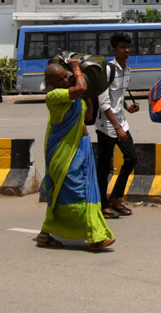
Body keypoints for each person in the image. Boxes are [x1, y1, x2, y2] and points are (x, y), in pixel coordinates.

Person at [37, 56, 115, 252]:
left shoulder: (74, 96)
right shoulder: (53, 96)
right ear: (51, 84)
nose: (66, 80)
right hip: (63, 153)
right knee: (77, 193)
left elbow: (88, 117)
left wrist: (88, 92)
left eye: (67, 76)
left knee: (68, 193)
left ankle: (45, 234)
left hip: (80, 149)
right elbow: (79, 88)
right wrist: (76, 67)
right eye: (61, 79)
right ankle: (95, 235)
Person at [95, 32, 139, 220]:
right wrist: (117, 128)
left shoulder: (127, 68)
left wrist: (128, 108)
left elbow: (117, 99)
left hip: (121, 121)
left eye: (128, 47)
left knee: (131, 158)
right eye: (123, 47)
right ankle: (101, 205)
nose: (127, 50)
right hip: (106, 125)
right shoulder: (107, 70)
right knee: (104, 166)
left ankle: (115, 198)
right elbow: (104, 102)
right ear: (114, 49)